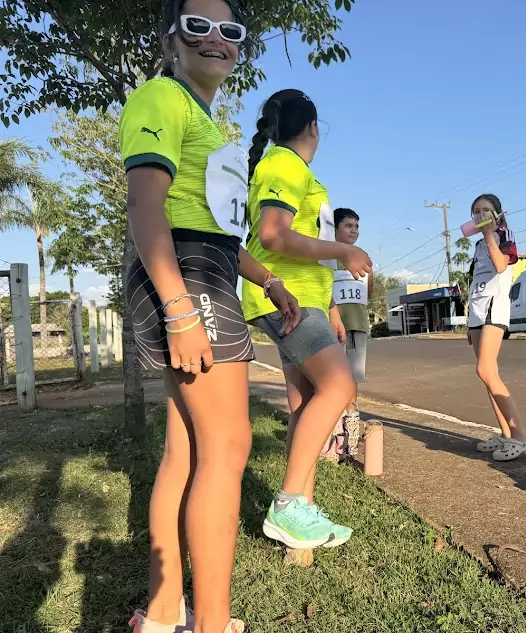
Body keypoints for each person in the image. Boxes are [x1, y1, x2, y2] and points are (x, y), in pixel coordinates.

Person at [120, 1, 300, 631]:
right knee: (228, 446)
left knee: (187, 452)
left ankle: (166, 614)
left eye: (230, 30)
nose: (216, 40)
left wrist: (269, 280)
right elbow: (147, 209)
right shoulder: (160, 99)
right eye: (198, 25)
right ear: (170, 37)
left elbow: (214, 229)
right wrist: (179, 310)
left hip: (205, 269)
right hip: (186, 281)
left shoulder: (198, 114)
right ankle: (213, 624)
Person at [242, 89, 373, 550]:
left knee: (304, 404)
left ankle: (302, 512)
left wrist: (331, 306)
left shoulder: (286, 166)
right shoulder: (284, 164)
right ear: (313, 127)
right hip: (287, 299)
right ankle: (289, 502)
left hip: (302, 299)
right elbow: (275, 236)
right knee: (340, 387)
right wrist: (344, 249)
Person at [468, 194, 526, 461]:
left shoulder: (504, 235)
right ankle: (505, 434)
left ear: (498, 214)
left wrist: (490, 235)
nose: (480, 215)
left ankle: (521, 437)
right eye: (476, 211)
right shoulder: (477, 245)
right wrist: (468, 324)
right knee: (487, 375)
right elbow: (475, 280)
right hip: (476, 312)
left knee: (485, 369)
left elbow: (500, 264)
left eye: (486, 210)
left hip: (495, 309)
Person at [330, 207, 374, 459]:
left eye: (356, 226)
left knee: (352, 378)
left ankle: (351, 428)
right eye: (348, 226)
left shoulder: (364, 259)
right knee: (332, 377)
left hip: (357, 324)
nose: (353, 231)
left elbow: (369, 287)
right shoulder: (327, 257)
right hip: (334, 326)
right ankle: (332, 428)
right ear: (334, 228)